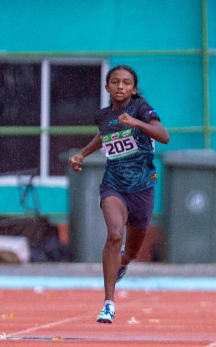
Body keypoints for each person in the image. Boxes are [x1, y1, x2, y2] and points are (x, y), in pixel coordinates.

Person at [69, 65, 169, 324]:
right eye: (115, 82)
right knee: (114, 234)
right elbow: (105, 137)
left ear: (134, 89)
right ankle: (109, 303)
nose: (120, 86)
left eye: (126, 83)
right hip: (113, 185)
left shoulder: (141, 108)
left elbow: (164, 136)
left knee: (133, 252)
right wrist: (82, 153)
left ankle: (123, 262)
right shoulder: (103, 117)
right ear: (107, 87)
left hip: (143, 187)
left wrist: (136, 122)